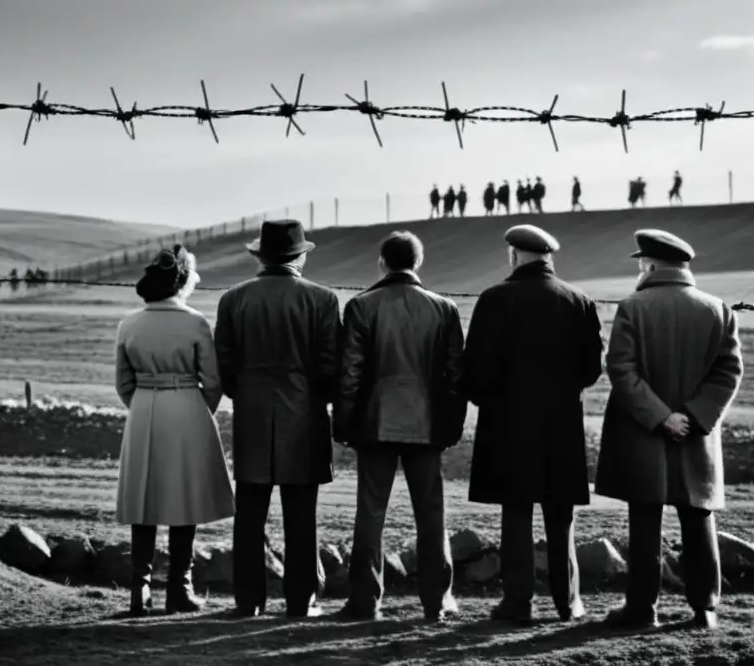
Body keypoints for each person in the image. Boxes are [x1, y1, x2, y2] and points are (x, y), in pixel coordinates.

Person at [595, 229, 744, 631]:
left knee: (645, 518)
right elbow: (728, 372)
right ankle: (705, 609)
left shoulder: (633, 307)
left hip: (644, 432)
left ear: (650, 265)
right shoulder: (718, 308)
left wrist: (662, 417)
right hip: (697, 434)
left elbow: (623, 370)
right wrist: (693, 417)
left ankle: (642, 609)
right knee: (698, 517)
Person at [463, 225, 604, 625]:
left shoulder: (494, 299)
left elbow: (476, 367)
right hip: (561, 424)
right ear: (549, 257)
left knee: (516, 512)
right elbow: (591, 369)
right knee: (560, 516)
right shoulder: (579, 301)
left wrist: (486, 399)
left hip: (508, 422)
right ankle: (568, 601)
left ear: (513, 256)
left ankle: (518, 601)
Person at [335, 231, 466, 623]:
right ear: (418, 262)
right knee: (431, 513)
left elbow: (350, 374)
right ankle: (436, 601)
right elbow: (457, 375)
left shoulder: (361, 306)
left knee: (370, 513)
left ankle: (364, 600)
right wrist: (452, 427)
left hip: (375, 422)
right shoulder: (444, 308)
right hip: (427, 425)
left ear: (382, 261)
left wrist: (343, 423)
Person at [214, 219, 341, 618]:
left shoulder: (233, 299)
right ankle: (302, 601)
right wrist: (313, 397)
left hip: (251, 414)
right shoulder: (322, 299)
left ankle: (248, 600)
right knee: (301, 514)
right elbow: (330, 366)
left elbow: (225, 365)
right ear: (300, 256)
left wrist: (247, 392)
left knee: (249, 513)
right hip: (304, 417)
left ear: (260, 256)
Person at [114, 245, 235, 616]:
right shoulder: (195, 322)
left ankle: (140, 589)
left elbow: (123, 382)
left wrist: (143, 407)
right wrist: (200, 411)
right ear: (182, 282)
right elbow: (212, 380)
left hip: (145, 408)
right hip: (187, 406)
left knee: (144, 500)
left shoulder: (129, 324)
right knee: (186, 499)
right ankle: (180, 587)